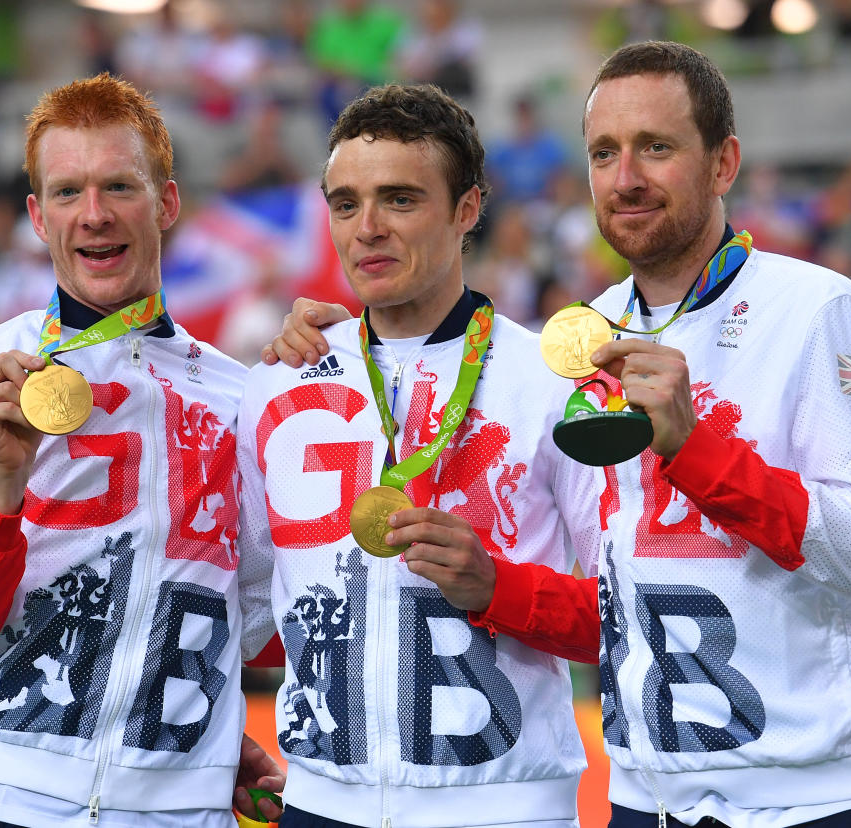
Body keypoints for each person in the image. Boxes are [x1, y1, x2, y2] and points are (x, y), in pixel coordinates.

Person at [270, 41, 851, 828]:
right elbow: (614, 603)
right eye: (604, 153)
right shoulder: (585, 341)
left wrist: (695, 449)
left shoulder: (816, 308)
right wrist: (496, 588)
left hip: (810, 798)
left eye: (656, 148)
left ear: (723, 163)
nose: (626, 178)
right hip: (644, 800)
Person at [0, 73, 283, 828]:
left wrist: (187, 732)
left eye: (119, 187)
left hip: (183, 810)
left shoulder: (242, 397)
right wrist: (2, 481)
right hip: (5, 802)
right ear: (38, 217)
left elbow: (257, 617)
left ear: (167, 203)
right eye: (68, 192)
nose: (95, 216)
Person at [237, 82, 602, 828]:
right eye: (345, 204)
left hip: (504, 809)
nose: (366, 228)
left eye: (400, 199)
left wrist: (499, 587)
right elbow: (242, 603)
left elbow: (626, 616)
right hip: (317, 805)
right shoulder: (278, 379)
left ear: (468, 210)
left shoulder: (552, 384)